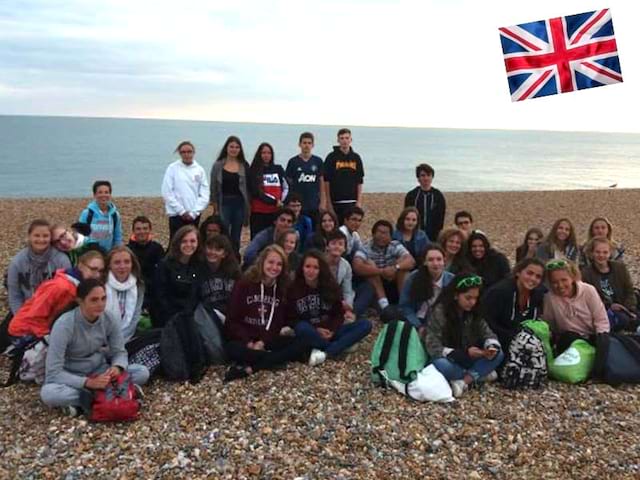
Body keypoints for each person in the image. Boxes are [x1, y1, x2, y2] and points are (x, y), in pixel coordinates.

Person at [40, 279, 149, 417]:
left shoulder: (109, 318)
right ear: (80, 301)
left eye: (104, 299)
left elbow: (119, 352)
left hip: (101, 371)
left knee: (142, 372)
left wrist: (117, 367)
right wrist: (89, 383)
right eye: (94, 300)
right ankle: (121, 393)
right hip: (73, 375)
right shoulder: (64, 325)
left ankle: (89, 402)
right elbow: (53, 372)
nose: (100, 304)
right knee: (49, 394)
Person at [223, 245, 309, 381]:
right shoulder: (244, 284)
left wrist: (262, 342)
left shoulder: (282, 288)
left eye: (279, 264)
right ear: (262, 262)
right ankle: (274, 359)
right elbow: (232, 320)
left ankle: (250, 369)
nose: (274, 267)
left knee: (302, 342)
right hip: (245, 339)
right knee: (232, 349)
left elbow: (278, 322)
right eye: (270, 262)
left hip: (267, 338)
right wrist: (249, 342)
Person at [424, 274, 504, 398]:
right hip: (450, 359)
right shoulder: (440, 312)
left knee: (499, 354)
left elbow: (488, 333)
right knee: (441, 365)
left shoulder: (475, 312)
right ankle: (479, 375)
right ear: (456, 295)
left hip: (471, 357)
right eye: (468, 298)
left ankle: (463, 381)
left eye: (475, 298)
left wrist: (490, 347)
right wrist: (462, 353)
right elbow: (432, 345)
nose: (472, 302)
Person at [289, 250, 372, 366]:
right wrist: (316, 329)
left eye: (315, 267)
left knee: (366, 324)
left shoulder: (330, 286)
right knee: (301, 328)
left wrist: (331, 330)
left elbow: (339, 313)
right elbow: (292, 318)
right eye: (307, 266)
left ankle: (325, 352)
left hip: (331, 331)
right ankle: (335, 348)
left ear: (321, 269)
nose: (311, 271)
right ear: (302, 268)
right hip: (311, 330)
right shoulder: (293, 288)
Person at [8, 251, 105, 339]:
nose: (97, 275)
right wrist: (52, 338)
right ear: (80, 265)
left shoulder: (83, 287)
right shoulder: (60, 286)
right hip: (25, 334)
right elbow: (34, 316)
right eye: (93, 269)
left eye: (100, 271)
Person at [542, 259, 609, 353]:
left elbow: (601, 320)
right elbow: (549, 324)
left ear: (573, 277)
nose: (560, 285)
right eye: (554, 282)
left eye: (564, 280)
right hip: (570, 340)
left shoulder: (588, 290)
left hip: (592, 336)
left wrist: (602, 339)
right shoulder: (549, 298)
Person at [7, 219, 71, 315]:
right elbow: (15, 295)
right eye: (36, 235)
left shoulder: (61, 260)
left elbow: (66, 295)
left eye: (45, 236)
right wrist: (22, 318)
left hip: (53, 312)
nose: (41, 240)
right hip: (26, 309)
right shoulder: (17, 262)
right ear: (29, 237)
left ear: (50, 238)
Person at [352, 220, 416, 315]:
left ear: (390, 236)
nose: (382, 236)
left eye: (385, 233)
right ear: (373, 234)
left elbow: (411, 261)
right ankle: (384, 306)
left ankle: (404, 305)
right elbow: (357, 266)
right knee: (370, 265)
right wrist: (381, 271)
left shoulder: (395, 245)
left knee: (402, 267)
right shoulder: (366, 247)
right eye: (379, 232)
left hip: (393, 281)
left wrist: (396, 267)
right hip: (375, 285)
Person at [483, 258, 546, 351]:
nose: (533, 279)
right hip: (495, 340)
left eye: (538, 276)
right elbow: (487, 322)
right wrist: (514, 337)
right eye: (529, 273)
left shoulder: (537, 295)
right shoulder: (499, 292)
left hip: (524, 341)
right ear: (518, 273)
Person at [580, 237, 636, 331]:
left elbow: (629, 290)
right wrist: (609, 306)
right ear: (592, 253)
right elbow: (588, 299)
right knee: (622, 320)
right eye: (597, 252)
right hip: (603, 312)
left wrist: (626, 308)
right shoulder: (586, 273)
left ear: (610, 253)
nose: (601, 255)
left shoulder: (620, 268)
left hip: (625, 307)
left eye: (605, 252)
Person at [153, 225, 203, 328]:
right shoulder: (165, 266)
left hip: (192, 319)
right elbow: (160, 297)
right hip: (169, 320)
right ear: (177, 243)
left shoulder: (199, 265)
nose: (188, 244)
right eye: (184, 241)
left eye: (192, 241)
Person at [161, 141, 210, 240]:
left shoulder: (199, 170)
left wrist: (194, 212)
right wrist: (181, 211)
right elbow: (167, 192)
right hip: (176, 214)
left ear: (193, 152)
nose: (186, 154)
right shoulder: (172, 168)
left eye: (189, 151)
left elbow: (204, 194)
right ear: (180, 153)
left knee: (192, 242)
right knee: (175, 242)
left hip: (193, 215)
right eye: (183, 152)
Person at [210, 136, 251, 254]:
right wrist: (215, 207)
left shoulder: (244, 165)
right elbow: (213, 188)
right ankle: (222, 257)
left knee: (236, 236)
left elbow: (248, 188)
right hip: (224, 204)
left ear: (240, 149)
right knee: (223, 233)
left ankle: (234, 259)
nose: (234, 149)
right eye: (231, 146)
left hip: (239, 204)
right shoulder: (218, 165)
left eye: (237, 147)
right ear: (226, 148)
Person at [399, 245, 454, 329]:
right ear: (425, 262)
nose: (435, 263)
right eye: (431, 260)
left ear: (444, 261)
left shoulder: (452, 280)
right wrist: (418, 325)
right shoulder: (414, 278)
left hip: (442, 321)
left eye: (439, 259)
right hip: (419, 319)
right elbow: (405, 305)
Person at [193, 234, 241, 320]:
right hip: (207, 317)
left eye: (218, 249)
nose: (212, 252)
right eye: (210, 248)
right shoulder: (198, 270)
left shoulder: (234, 272)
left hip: (231, 315)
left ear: (225, 254)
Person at [323, 128, 365, 224]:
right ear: (338, 140)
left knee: (351, 228)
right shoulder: (331, 157)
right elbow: (326, 181)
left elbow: (360, 181)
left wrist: (359, 201)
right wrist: (328, 202)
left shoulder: (356, 158)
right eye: (342, 138)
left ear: (351, 140)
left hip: (352, 201)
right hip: (336, 201)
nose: (344, 141)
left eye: (347, 138)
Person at [248, 142, 288, 239]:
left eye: (269, 153)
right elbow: (256, 192)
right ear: (259, 154)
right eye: (263, 153)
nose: (266, 155)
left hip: (275, 212)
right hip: (259, 212)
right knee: (258, 239)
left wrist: (281, 201)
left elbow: (286, 187)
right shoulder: (253, 170)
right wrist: (274, 201)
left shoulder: (278, 169)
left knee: (274, 239)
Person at [285, 132, 326, 228]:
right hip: (297, 205)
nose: (306, 145)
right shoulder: (293, 162)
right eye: (304, 143)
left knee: (314, 230)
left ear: (313, 145)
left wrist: (323, 202)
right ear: (299, 144)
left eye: (309, 143)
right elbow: (288, 184)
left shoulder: (318, 161)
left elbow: (321, 182)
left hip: (314, 204)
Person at [105, 246, 145, 342]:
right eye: (117, 262)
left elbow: (135, 317)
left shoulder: (139, 286)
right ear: (109, 265)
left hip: (127, 338)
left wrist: (119, 341)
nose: (122, 266)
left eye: (127, 262)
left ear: (132, 264)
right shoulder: (101, 284)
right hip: (101, 339)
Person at [126, 216, 164, 316]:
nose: (142, 232)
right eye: (138, 229)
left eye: (145, 228)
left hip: (154, 291)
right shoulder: (127, 250)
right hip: (134, 290)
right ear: (133, 231)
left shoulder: (157, 249)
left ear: (150, 230)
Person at [403, 163, 446, 242]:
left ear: (432, 177)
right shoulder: (411, 195)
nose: (426, 178)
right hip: (414, 235)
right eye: (423, 175)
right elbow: (406, 216)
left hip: (433, 236)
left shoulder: (438, 196)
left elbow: (441, 218)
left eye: (428, 175)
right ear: (418, 178)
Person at [78, 180, 123, 251]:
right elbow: (79, 235)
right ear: (94, 195)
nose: (103, 195)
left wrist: (118, 252)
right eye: (100, 192)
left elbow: (117, 237)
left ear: (110, 195)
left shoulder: (115, 215)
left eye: (106, 192)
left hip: (108, 254)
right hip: (90, 254)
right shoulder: (87, 214)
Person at [325, 230, 355, 313]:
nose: (337, 247)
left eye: (340, 244)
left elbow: (347, 290)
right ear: (327, 246)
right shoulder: (319, 262)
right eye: (333, 243)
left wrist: (348, 305)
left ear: (344, 248)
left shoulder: (346, 265)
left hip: (337, 298)